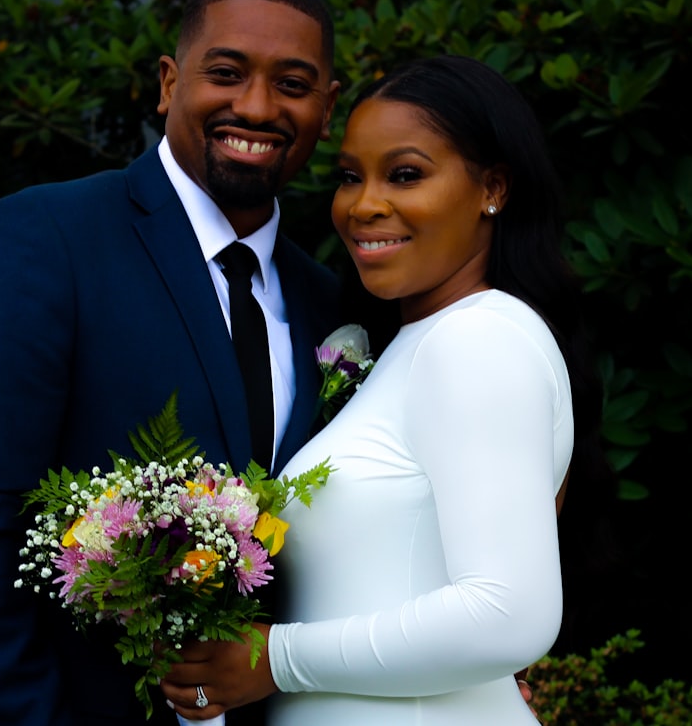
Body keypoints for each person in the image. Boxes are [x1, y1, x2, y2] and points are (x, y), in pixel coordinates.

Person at [0, 0, 342, 724]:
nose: (259, 109)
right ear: (170, 82)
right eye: (227, 73)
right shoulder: (49, 236)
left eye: (291, 86)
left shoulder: (329, 302)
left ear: (326, 108)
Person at [160, 55, 603, 724]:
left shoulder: (477, 341)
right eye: (348, 177)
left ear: (494, 188)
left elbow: (510, 614)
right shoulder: (417, 344)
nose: (364, 205)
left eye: (405, 174)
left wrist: (275, 660)